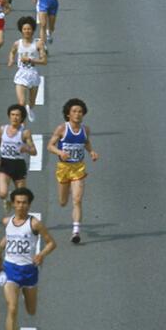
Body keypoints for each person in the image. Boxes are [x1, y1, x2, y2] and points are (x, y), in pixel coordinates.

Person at [0, 187, 56, 330]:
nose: (21, 206)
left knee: (31, 311)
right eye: (18, 202)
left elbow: (52, 243)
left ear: (29, 204)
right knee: (12, 308)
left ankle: (23, 292)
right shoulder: (6, 221)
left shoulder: (34, 224)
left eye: (24, 203)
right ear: (13, 204)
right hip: (11, 270)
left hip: (29, 271)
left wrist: (41, 254)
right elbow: (5, 241)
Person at [47, 98, 99, 244]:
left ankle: (76, 231)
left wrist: (92, 152)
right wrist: (59, 152)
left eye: (80, 112)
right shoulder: (62, 129)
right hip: (63, 169)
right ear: (68, 114)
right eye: (74, 111)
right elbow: (49, 146)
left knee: (77, 200)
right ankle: (68, 190)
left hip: (78, 168)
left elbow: (86, 142)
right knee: (63, 202)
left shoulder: (85, 129)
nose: (77, 114)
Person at [0, 104, 37, 211]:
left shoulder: (25, 133)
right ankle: (8, 197)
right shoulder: (3, 129)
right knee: (2, 193)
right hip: (5, 163)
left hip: (18, 165)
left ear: (22, 118)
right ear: (9, 116)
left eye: (17, 115)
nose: (14, 117)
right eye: (12, 115)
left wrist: (26, 149)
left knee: (21, 195)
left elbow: (34, 151)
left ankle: (13, 198)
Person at [8, 16, 47, 123]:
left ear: (33, 29)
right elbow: (12, 52)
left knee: (32, 103)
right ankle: (21, 125)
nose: (27, 31)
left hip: (33, 74)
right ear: (21, 30)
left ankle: (28, 109)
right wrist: (11, 60)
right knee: (21, 103)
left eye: (29, 29)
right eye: (24, 29)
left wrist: (30, 60)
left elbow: (44, 61)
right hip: (21, 74)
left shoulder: (38, 44)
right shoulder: (17, 43)